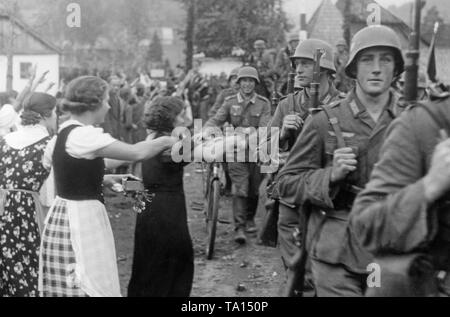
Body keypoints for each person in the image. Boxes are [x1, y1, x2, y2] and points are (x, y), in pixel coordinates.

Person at [276, 25, 407, 296]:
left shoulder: (414, 121)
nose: (376, 68)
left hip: (394, 249)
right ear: (353, 69)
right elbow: (287, 183)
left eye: (385, 59)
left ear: (396, 69)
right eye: (367, 60)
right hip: (337, 249)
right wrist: (329, 176)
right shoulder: (324, 120)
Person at [38, 76, 177, 297]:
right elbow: (136, 153)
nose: (109, 105)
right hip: (80, 219)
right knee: (88, 280)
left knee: (77, 282)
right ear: (93, 104)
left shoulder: (65, 133)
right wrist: (166, 141)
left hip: (65, 212)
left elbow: (82, 167)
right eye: (105, 100)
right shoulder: (84, 135)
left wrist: (102, 179)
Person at [349, 83, 450, 296]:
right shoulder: (424, 122)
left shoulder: (398, 111)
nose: (376, 70)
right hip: (338, 238)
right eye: (368, 60)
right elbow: (269, 157)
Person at [268, 39, 344, 292]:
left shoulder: (344, 106)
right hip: (292, 199)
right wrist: (280, 134)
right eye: (296, 64)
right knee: (298, 275)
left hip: (331, 200)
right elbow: (262, 150)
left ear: (323, 69)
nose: (298, 70)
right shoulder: (287, 105)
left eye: (305, 64)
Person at [128, 96, 194, 297]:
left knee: (149, 263)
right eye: (180, 116)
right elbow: (199, 152)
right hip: (166, 209)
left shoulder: (153, 137)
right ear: (169, 119)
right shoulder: (168, 143)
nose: (184, 120)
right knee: (175, 262)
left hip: (148, 205)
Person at [205, 66, 272, 244]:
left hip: (257, 152)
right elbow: (216, 119)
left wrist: (250, 137)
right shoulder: (229, 102)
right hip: (235, 151)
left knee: (255, 189)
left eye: (251, 81)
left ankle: (249, 219)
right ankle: (239, 227)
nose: (247, 84)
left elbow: (265, 127)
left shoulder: (264, 104)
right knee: (240, 187)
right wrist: (205, 131)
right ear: (239, 83)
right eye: (244, 81)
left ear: (255, 84)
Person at [0, 92, 57, 297]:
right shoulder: (49, 143)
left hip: (3, 207)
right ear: (46, 115)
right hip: (27, 210)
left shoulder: (6, 139)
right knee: (28, 258)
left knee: (7, 260)